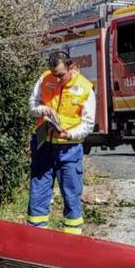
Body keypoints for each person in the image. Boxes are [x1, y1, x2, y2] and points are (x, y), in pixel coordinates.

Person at [27, 51, 95, 235]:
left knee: (71, 195)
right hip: (43, 145)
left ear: (71, 67)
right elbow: (31, 106)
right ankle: (37, 236)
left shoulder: (85, 88)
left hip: (69, 148)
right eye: (53, 75)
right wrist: (41, 110)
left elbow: (88, 125)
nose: (56, 80)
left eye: (60, 75)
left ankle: (72, 239)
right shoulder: (44, 78)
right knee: (38, 193)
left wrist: (70, 135)